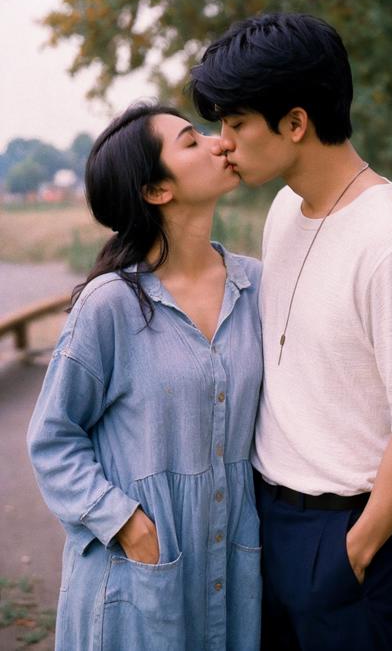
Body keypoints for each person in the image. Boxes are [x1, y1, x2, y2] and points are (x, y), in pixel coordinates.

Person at [190, 13, 392, 650]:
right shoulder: (285, 208)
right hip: (266, 511)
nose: (221, 141)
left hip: (346, 527)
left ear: (296, 122)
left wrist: (354, 550)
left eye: (236, 123)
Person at [27, 102, 263, 651]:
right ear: (157, 191)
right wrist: (128, 525)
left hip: (233, 562)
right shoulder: (111, 306)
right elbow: (52, 439)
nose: (217, 142)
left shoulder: (256, 287)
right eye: (190, 141)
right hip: (136, 572)